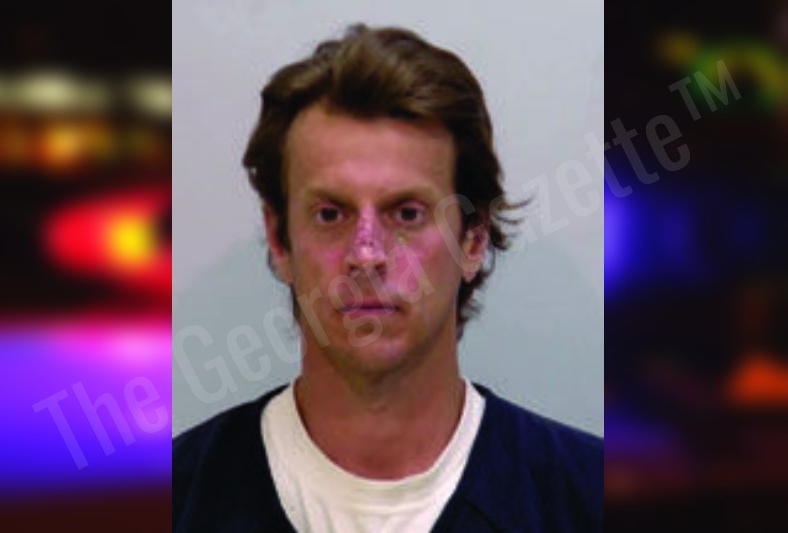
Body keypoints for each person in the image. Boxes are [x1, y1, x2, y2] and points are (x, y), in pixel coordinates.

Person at [173, 24, 602, 532]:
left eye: (407, 214)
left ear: (472, 241)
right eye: (330, 214)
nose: (366, 254)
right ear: (279, 239)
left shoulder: (586, 498)